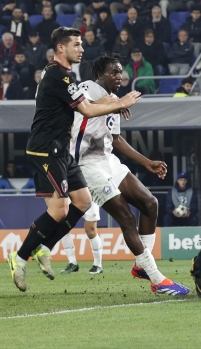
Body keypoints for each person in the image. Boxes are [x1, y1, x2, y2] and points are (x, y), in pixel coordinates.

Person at [5, 27, 141, 293]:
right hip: (45, 149)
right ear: (61, 48)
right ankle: (19, 258)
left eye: (81, 44)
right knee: (59, 210)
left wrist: (115, 102)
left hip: (61, 149)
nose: (81, 49)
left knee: (83, 201)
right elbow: (87, 109)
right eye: (76, 45)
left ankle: (45, 247)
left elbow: (88, 105)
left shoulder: (63, 74)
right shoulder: (59, 76)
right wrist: (120, 101)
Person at [69, 53, 190, 295]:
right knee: (125, 215)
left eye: (120, 71)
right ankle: (156, 278)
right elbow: (89, 109)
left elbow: (115, 140)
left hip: (107, 160)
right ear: (100, 74)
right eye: (114, 72)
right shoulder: (86, 88)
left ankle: (141, 266)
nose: (120, 76)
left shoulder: (117, 100)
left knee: (150, 203)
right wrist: (118, 103)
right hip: (86, 163)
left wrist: (147, 163)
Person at [59, 202, 104, 274]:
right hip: (71, 195)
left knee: (91, 232)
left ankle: (98, 265)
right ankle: (72, 263)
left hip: (89, 195)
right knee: (64, 228)